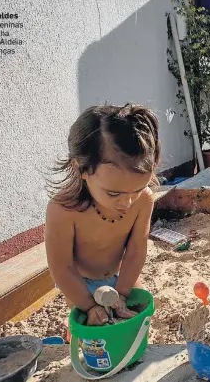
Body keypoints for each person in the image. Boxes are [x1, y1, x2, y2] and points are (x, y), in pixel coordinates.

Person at [45, 104, 160, 326]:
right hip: (78, 282)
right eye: (114, 193)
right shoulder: (63, 209)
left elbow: (136, 251)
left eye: (137, 189)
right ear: (81, 169)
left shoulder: (143, 200)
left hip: (121, 277)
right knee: (92, 327)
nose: (127, 202)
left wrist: (123, 294)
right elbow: (62, 268)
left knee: (140, 315)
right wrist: (89, 306)